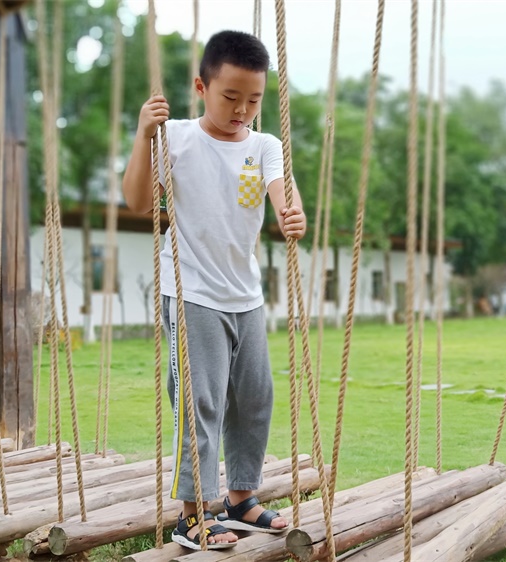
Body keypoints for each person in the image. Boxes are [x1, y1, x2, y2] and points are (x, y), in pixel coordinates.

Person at [122, 29, 305, 550]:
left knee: (255, 399)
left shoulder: (265, 145)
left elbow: (283, 195)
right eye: (230, 97)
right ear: (202, 87)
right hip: (192, 292)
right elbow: (137, 202)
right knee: (199, 402)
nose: (242, 109)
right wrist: (142, 133)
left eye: (253, 99)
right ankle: (193, 511)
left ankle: (241, 498)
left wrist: (292, 214)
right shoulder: (176, 137)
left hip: (245, 295)